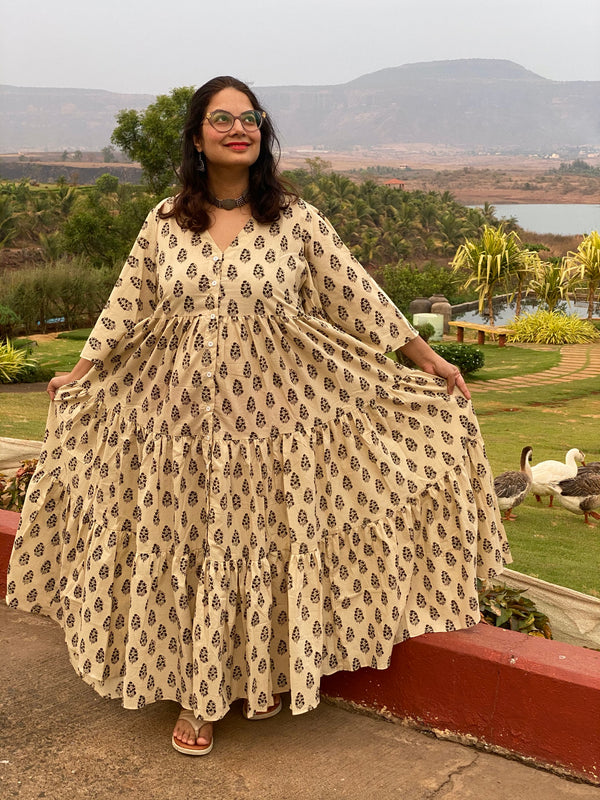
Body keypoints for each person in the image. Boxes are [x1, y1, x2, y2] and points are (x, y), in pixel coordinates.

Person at [7, 76, 509, 756]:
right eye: (222, 119)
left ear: (262, 132)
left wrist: (428, 360)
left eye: (250, 118)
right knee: (193, 545)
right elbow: (125, 306)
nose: (238, 128)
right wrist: (81, 371)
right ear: (196, 137)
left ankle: (259, 671)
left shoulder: (295, 219)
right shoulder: (165, 222)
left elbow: (357, 295)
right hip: (179, 424)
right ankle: (197, 695)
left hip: (275, 423)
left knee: (266, 544)